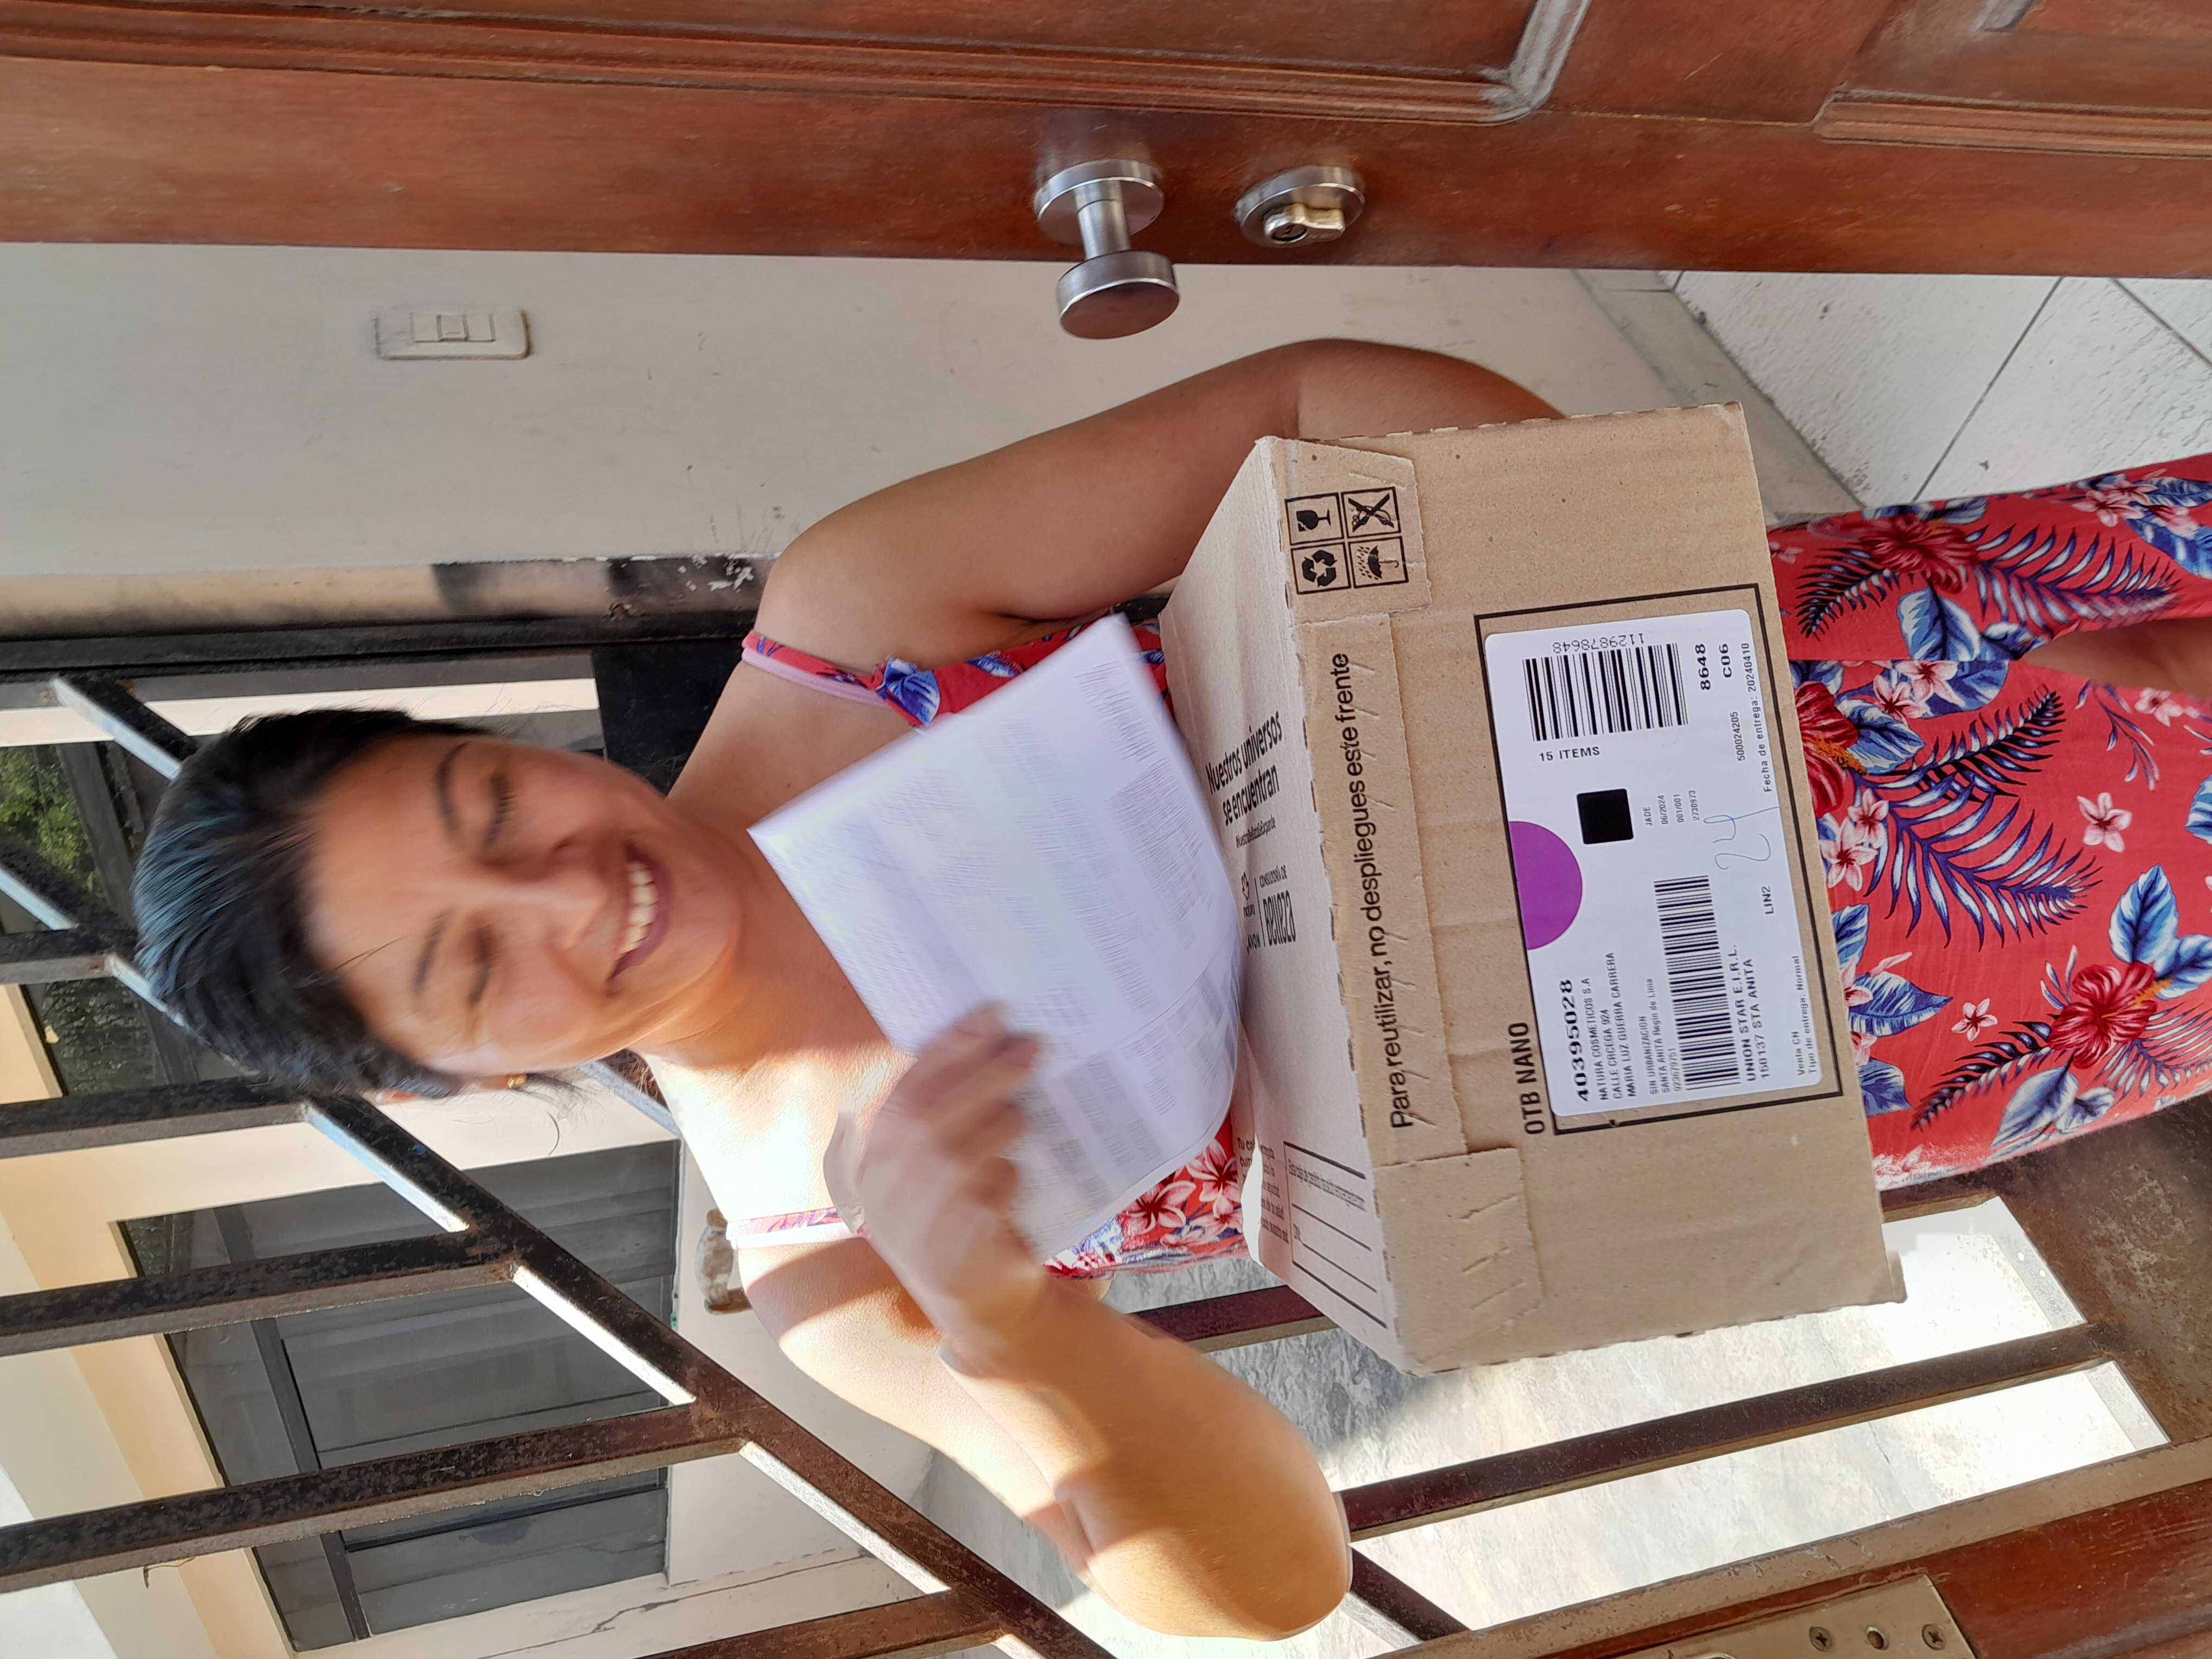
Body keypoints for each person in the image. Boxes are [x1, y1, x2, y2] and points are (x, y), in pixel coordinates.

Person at [129, 338, 2212, 1635]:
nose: (572, 887)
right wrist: (1006, 1318)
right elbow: (1268, 1582)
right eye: (476, 962)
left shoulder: (861, 622)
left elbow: (1307, 405)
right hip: (1913, 992)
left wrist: (1637, 595)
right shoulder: (840, 1266)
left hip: (1840, 673)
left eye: (492, 802)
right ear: (457, 1078)